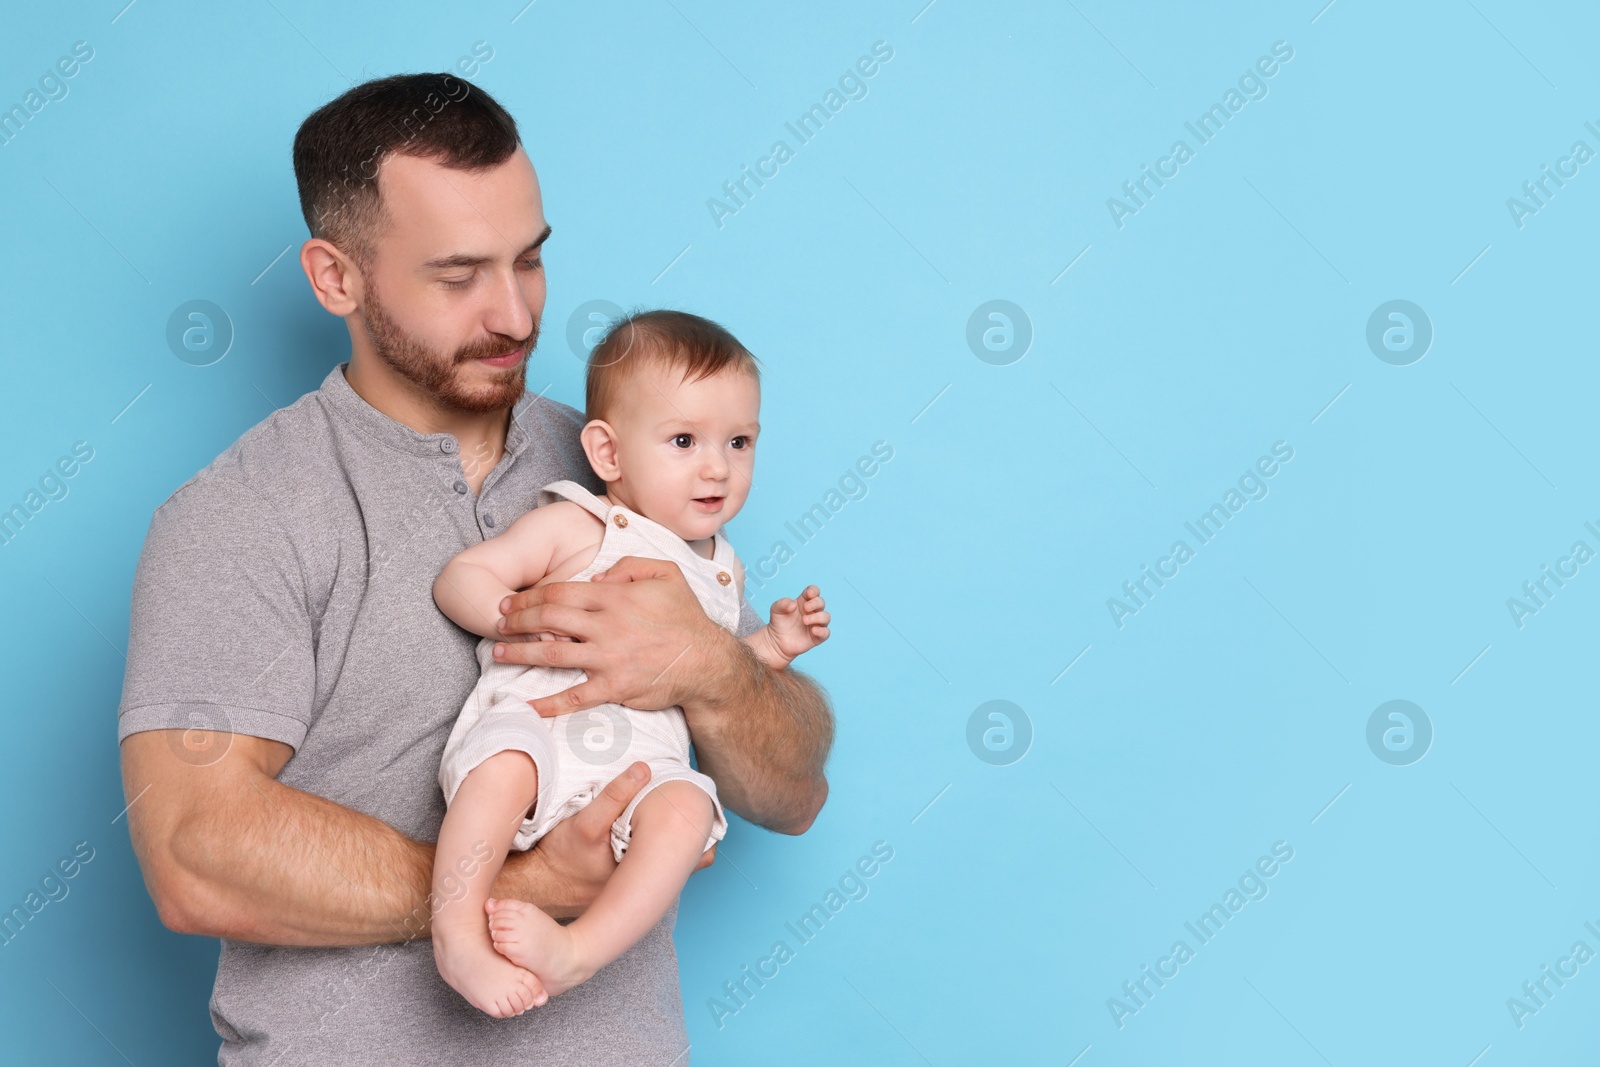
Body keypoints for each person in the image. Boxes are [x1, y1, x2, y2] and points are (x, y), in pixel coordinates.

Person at [115, 72, 833, 1065]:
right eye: (458, 276)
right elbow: (196, 851)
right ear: (336, 277)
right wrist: (520, 886)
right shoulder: (240, 515)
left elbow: (793, 790)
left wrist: (713, 667)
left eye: (529, 261)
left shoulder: (628, 463)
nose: (513, 314)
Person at [430, 309, 830, 1017]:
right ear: (608, 455)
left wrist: (771, 647)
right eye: (684, 441)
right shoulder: (579, 525)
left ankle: (578, 951)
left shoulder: (718, 571)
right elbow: (461, 576)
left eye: (739, 442)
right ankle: (457, 934)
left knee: (685, 808)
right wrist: (510, 615)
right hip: (542, 730)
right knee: (502, 766)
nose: (718, 467)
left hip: (639, 767)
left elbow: (716, 674)